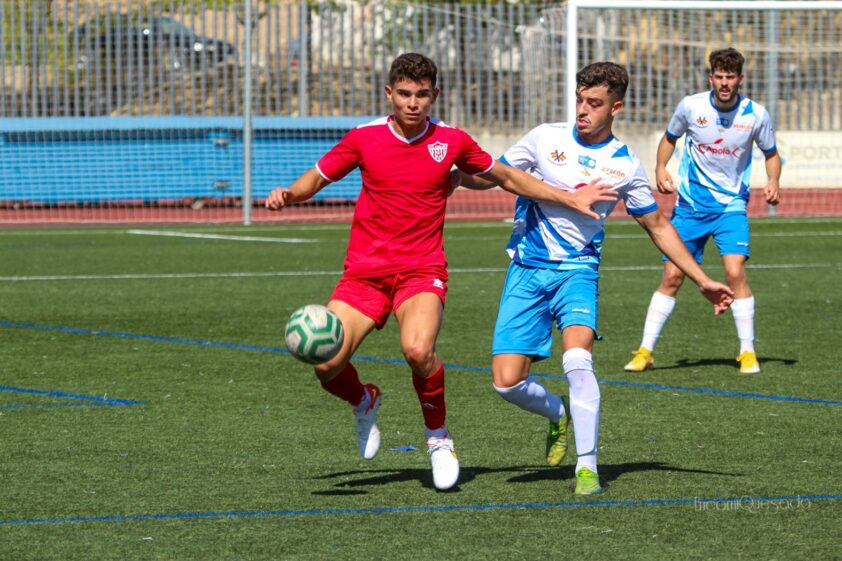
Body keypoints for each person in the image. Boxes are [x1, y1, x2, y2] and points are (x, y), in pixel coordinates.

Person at [265, 53, 617, 491]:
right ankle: (364, 399)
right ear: (389, 94)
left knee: (418, 350)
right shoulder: (363, 138)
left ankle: (439, 438)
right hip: (364, 275)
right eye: (404, 94)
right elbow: (318, 178)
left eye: (422, 94)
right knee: (326, 364)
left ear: (434, 95)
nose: (413, 103)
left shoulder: (451, 141)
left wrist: (568, 197)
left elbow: (507, 177)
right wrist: (289, 195)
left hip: (420, 272)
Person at [455, 62, 734, 495]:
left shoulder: (624, 165)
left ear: (615, 108)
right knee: (506, 382)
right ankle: (558, 413)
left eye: (594, 103)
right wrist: (447, 174)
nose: (582, 110)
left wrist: (701, 279)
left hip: (578, 273)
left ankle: (587, 467)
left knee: (577, 360)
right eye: (580, 100)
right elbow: (491, 177)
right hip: (526, 270)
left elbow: (658, 226)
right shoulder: (545, 137)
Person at [624, 48, 781, 375]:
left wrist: (773, 181)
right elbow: (669, 138)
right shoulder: (691, 106)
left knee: (735, 273)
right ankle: (645, 351)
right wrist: (660, 168)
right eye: (719, 76)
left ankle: (747, 352)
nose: (724, 83)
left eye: (730, 77)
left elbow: (771, 153)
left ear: (740, 79)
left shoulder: (756, 114)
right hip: (690, 207)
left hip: (730, 208)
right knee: (672, 276)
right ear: (711, 77)